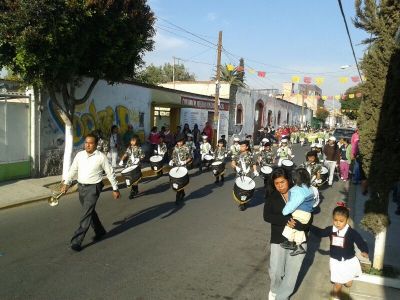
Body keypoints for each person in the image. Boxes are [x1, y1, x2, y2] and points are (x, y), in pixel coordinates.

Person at [61, 133, 120, 252]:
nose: (88, 145)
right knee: (90, 211)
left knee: (85, 214)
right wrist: (67, 183)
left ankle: (77, 241)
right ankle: (100, 231)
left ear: (96, 144)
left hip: (94, 187)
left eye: (91, 143)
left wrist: (115, 188)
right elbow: (73, 169)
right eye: (86, 142)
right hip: (81, 187)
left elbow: (110, 172)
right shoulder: (79, 155)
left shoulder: (101, 157)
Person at [264, 167, 312, 300]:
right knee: (276, 271)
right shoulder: (272, 196)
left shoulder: (299, 192)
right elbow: (267, 216)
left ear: (289, 180)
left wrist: (300, 225)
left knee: (292, 273)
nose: (280, 186)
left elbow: (309, 214)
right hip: (279, 238)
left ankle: (282, 297)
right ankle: (274, 290)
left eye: (282, 182)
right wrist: (286, 220)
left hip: (299, 239)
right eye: (276, 183)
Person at [311, 203, 369, 300]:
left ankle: (348, 279)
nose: (338, 223)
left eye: (341, 221)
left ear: (347, 220)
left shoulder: (351, 232)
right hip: (336, 261)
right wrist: (309, 226)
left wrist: (364, 250)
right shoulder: (331, 230)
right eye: (335, 220)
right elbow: (320, 233)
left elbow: (361, 242)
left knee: (348, 284)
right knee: (338, 284)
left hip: (349, 261)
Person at [280, 168, 314, 256]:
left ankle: (296, 245)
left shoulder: (298, 191)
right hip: (307, 214)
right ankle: (292, 243)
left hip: (300, 213)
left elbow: (292, 204)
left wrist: (285, 211)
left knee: (294, 227)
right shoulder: (309, 188)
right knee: (295, 229)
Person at [231, 140, 259, 211]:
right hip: (239, 174)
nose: (241, 147)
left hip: (247, 175)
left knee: (246, 189)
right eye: (240, 146)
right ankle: (241, 202)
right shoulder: (237, 154)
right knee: (239, 188)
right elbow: (233, 162)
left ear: (247, 147)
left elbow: (253, 164)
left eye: (243, 146)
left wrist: (255, 170)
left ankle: (244, 202)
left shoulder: (250, 154)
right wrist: (235, 166)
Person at [169, 134, 192, 204]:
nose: (179, 143)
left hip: (183, 167)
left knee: (179, 182)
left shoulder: (186, 148)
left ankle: (177, 197)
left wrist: (185, 161)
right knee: (177, 182)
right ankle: (183, 193)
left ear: (183, 141)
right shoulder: (175, 147)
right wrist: (172, 160)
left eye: (180, 142)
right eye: (178, 142)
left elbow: (190, 157)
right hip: (176, 166)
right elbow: (173, 156)